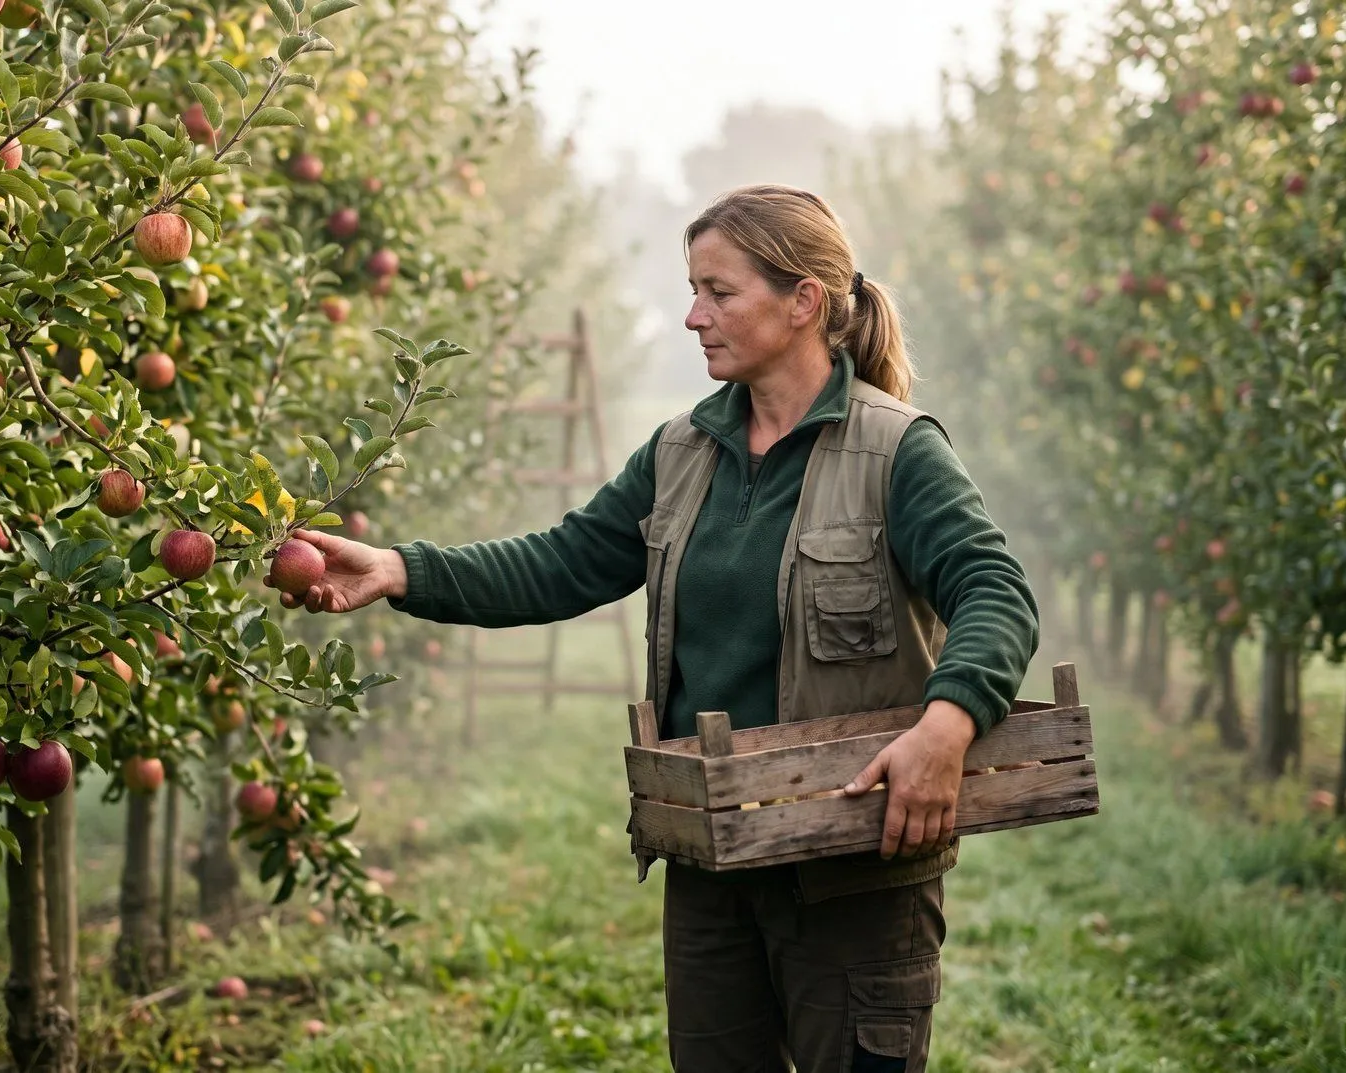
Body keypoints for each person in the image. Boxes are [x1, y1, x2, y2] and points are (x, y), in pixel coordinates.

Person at [267, 184, 1039, 1073]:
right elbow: (565, 560)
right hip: (713, 862)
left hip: (852, 865)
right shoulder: (682, 451)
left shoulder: (896, 451)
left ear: (803, 301)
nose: (693, 316)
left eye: (719, 292)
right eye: (693, 290)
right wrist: (400, 569)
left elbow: (995, 589)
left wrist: (946, 727)